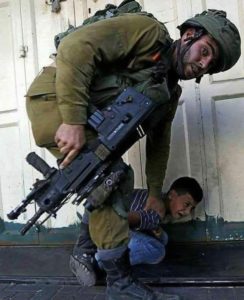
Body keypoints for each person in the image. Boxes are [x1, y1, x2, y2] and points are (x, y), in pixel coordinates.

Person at [25, 2, 241, 299]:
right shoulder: (149, 34)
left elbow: (159, 143)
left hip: (83, 114)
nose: (203, 64)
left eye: (210, 64)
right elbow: (76, 47)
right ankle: (119, 283)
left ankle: (90, 256)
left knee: (112, 179)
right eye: (205, 52)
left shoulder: (169, 91)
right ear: (190, 34)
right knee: (110, 178)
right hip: (56, 99)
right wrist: (73, 119)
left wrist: (154, 192)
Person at [70, 177, 203, 286]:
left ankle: (99, 253)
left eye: (191, 208)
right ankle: (97, 262)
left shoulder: (156, 199)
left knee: (163, 239)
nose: (187, 212)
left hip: (101, 222)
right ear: (172, 195)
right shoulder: (156, 211)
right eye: (186, 204)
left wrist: (154, 229)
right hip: (107, 228)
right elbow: (123, 221)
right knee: (157, 251)